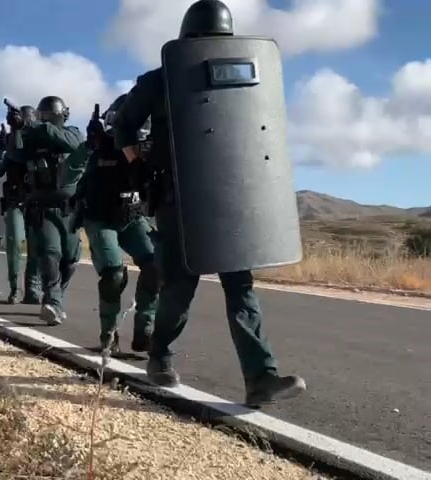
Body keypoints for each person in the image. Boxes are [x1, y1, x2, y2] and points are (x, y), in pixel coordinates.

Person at [112, 0, 305, 407]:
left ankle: (260, 378)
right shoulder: (158, 80)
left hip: (229, 198)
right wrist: (139, 164)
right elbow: (123, 124)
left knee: (242, 288)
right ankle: (159, 353)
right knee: (180, 290)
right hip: (178, 202)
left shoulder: (244, 77)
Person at [68, 95, 159, 354]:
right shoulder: (98, 146)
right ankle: (109, 335)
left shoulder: (148, 151)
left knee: (155, 266)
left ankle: (145, 331)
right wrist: (88, 145)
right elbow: (69, 171)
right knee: (113, 274)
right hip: (100, 218)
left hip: (132, 218)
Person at [11, 96, 84, 325]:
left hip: (70, 209)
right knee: (50, 253)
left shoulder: (72, 133)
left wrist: (35, 125)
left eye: (49, 117)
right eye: (43, 117)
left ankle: (57, 296)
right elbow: (14, 154)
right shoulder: (31, 136)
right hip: (42, 207)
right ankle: (52, 301)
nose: (46, 122)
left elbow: (71, 143)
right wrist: (16, 130)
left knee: (71, 259)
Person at [0, 106, 42, 304]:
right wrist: (2, 149)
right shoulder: (11, 146)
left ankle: (32, 288)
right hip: (16, 201)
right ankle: (15, 288)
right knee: (14, 244)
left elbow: (24, 153)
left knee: (37, 246)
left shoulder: (39, 142)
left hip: (37, 201)